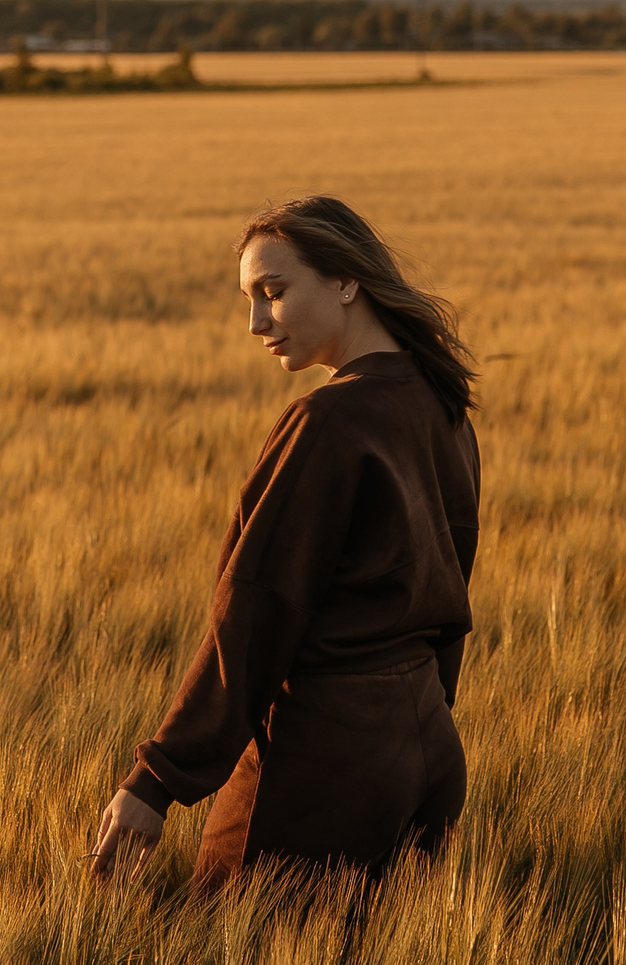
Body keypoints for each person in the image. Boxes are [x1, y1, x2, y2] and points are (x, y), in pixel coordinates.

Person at [89, 195, 480, 891]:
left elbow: (253, 613)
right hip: (426, 749)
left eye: (274, 291)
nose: (255, 320)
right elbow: (454, 578)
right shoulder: (439, 402)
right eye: (249, 298)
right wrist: (422, 711)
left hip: (320, 763)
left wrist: (157, 779)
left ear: (345, 281)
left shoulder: (327, 421)